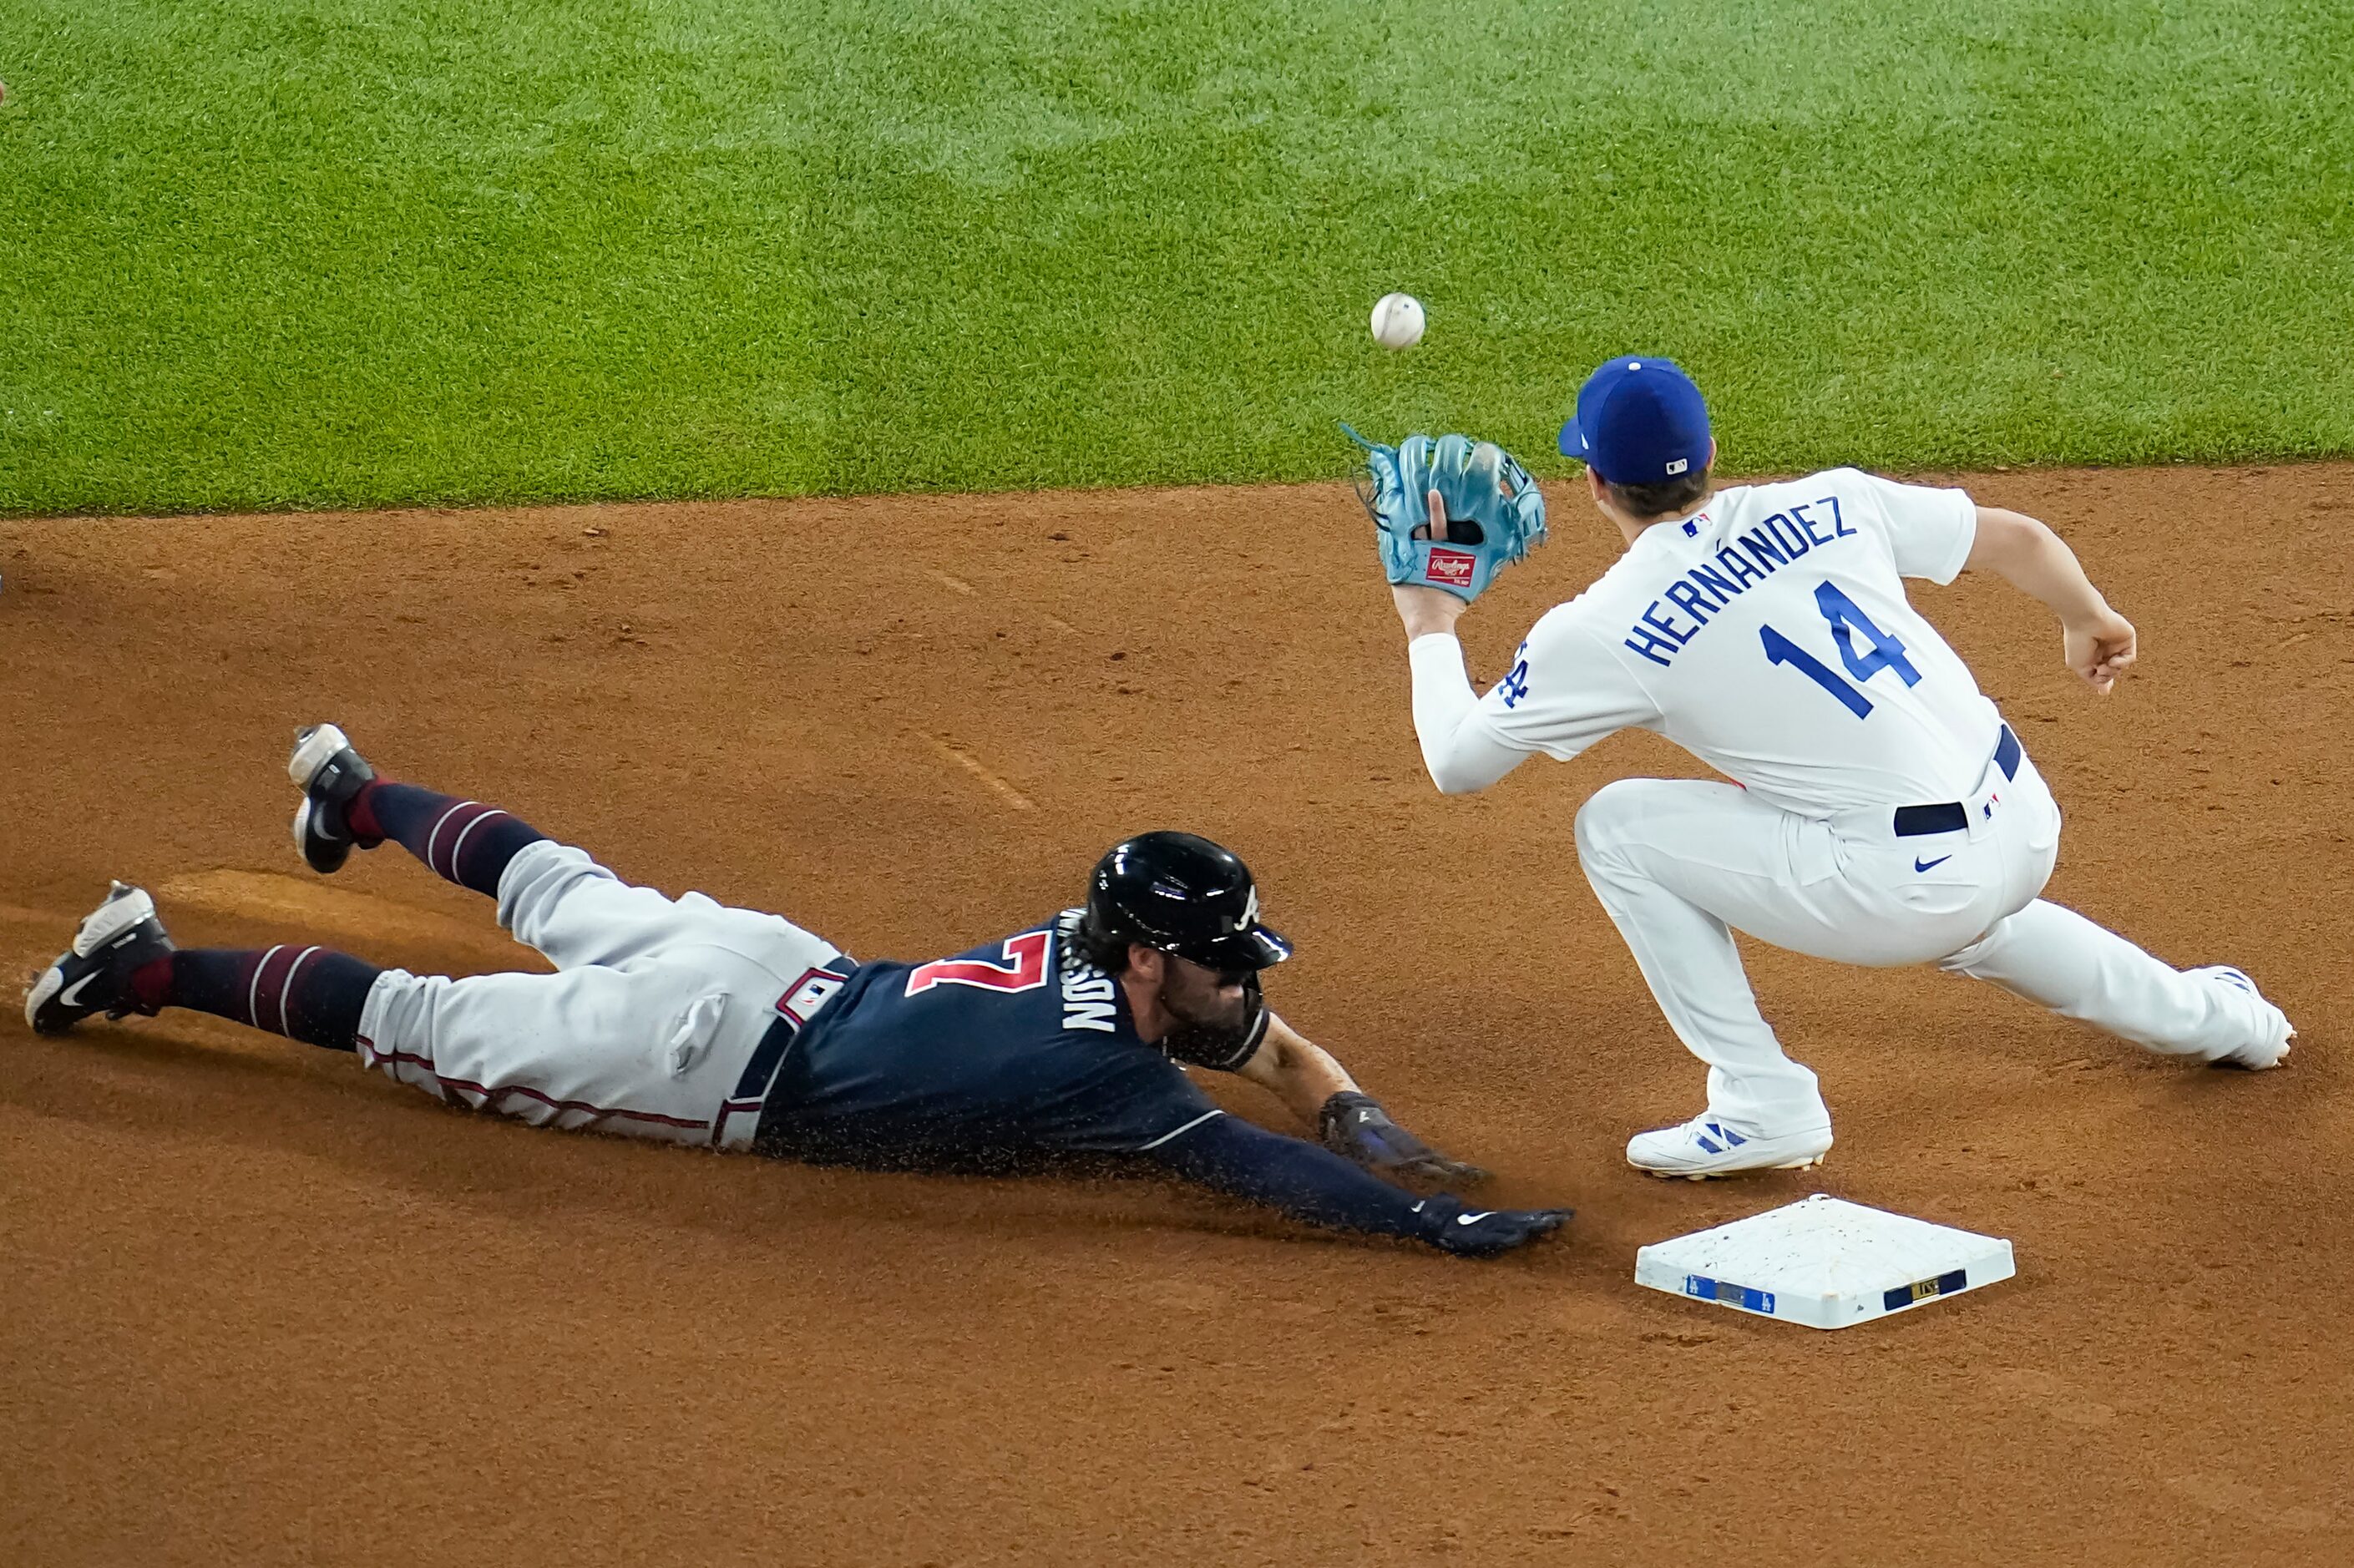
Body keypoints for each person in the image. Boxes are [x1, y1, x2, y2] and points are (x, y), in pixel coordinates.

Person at [26, 726, 1569, 1255]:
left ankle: (360, 795)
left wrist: (1372, 1120)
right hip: (704, 1055)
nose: (1244, 979)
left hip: (768, 956)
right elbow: (1256, 1164)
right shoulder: (1114, 1076)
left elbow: (1280, 1057)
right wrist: (1422, 1219)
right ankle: (148, 961)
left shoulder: (1091, 941)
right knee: (417, 1027)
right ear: (1152, 957)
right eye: (1224, 956)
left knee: (557, 886)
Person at [1384, 356, 2293, 1179]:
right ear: (1710, 452)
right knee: (1975, 914)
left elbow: (1457, 766)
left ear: (1592, 485)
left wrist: (1430, 625)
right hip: (2022, 817)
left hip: (1902, 886)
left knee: (1614, 827)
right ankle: (2228, 1022)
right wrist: (2084, 615)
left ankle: (1759, 1101)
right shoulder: (1826, 500)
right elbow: (2015, 539)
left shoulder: (1603, 625)